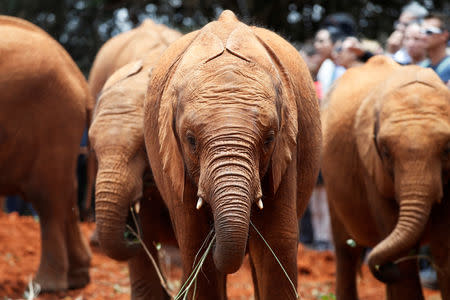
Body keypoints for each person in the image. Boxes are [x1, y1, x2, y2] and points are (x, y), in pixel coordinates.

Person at [420, 13, 450, 84]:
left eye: (429, 32)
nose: (423, 37)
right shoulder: (422, 66)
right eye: (421, 31)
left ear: (444, 35)